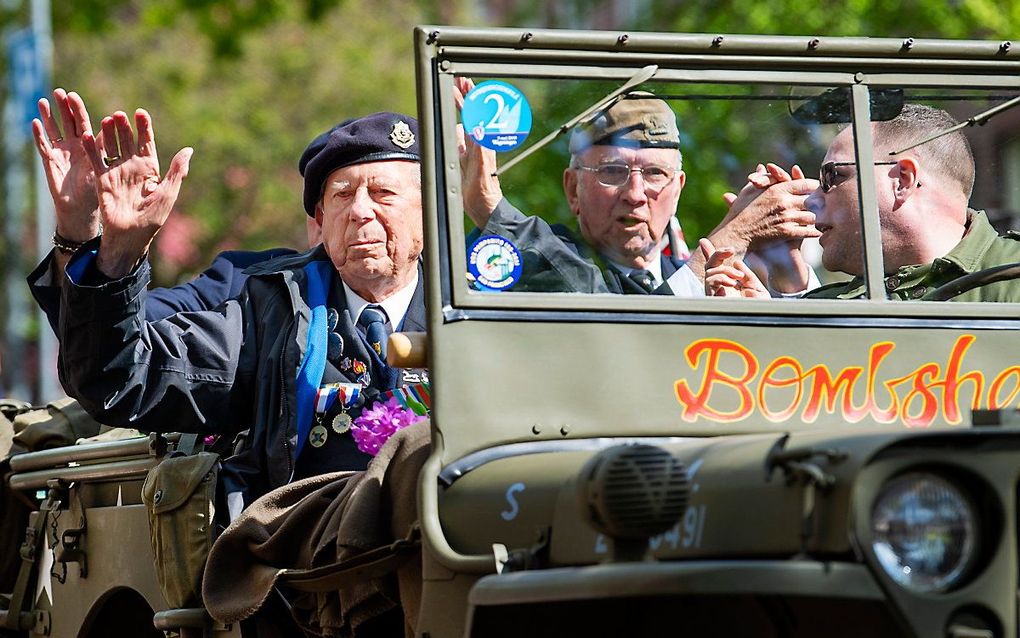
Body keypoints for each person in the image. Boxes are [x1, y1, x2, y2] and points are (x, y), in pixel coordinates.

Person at [54, 109, 428, 516]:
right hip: (306, 563)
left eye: (383, 194)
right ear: (320, 219)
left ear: (431, 210)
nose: (359, 211)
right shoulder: (275, 312)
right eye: (341, 195)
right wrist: (119, 254)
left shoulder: (465, 307)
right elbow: (120, 377)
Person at [457, 79, 820, 296]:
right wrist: (734, 235)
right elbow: (619, 327)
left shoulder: (713, 278)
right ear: (572, 189)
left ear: (677, 189)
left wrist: (788, 273)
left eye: (655, 175)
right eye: (612, 172)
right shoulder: (549, 266)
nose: (634, 194)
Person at [27, 89, 302, 334]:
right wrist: (85, 233)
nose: (348, 212)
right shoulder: (248, 283)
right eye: (341, 194)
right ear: (318, 216)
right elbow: (106, 341)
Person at [705, 103, 1020, 302]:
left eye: (832, 176)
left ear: (903, 180)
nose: (811, 197)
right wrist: (757, 325)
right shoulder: (827, 307)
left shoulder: (1013, 277)